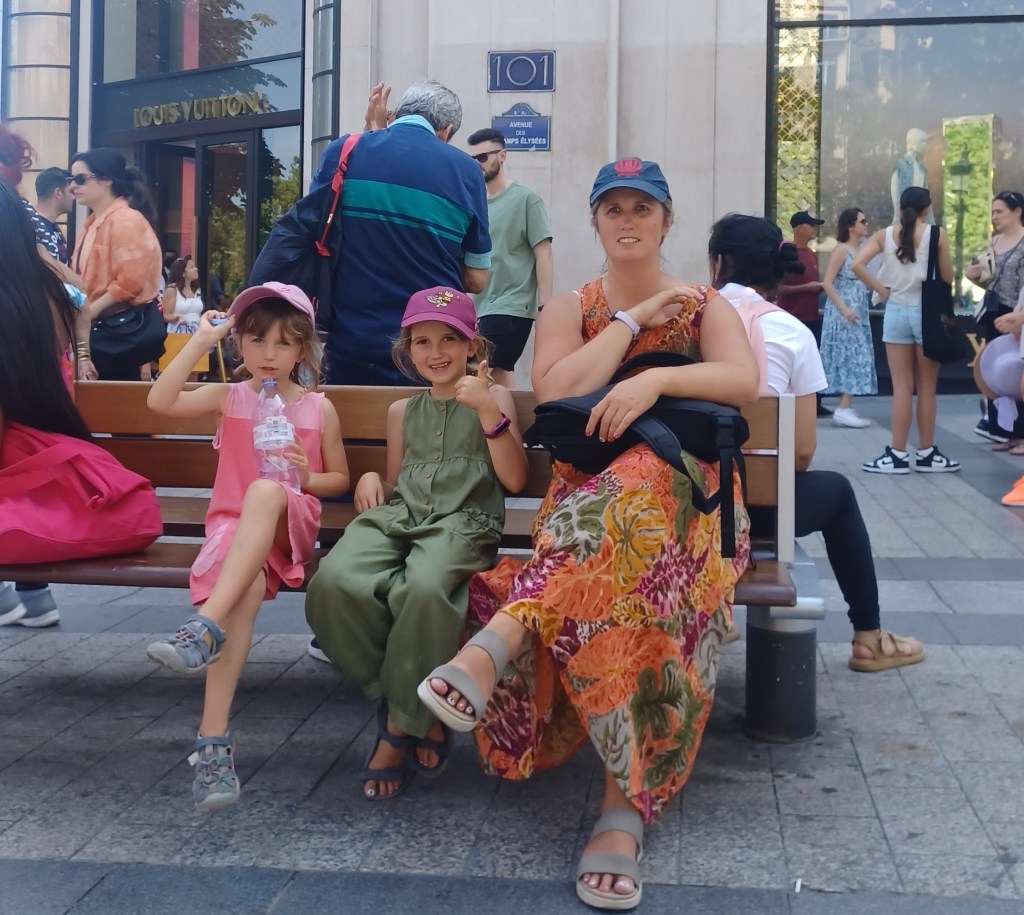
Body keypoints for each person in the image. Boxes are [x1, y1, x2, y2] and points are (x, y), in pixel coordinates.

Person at [417, 159, 758, 911]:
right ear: (596, 222)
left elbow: (743, 381)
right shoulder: (573, 306)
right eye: (614, 208)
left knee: (638, 501)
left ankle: (496, 642)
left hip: (690, 508)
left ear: (668, 220)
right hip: (585, 512)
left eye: (644, 207)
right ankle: (620, 811)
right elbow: (561, 390)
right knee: (622, 570)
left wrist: (656, 381)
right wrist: (633, 328)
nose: (629, 220)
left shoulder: (706, 308)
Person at [305, 286, 528, 801]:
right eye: (423, 341)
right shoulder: (402, 411)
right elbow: (398, 482)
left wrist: (489, 416)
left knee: (423, 590)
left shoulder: (492, 401)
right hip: (402, 518)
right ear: (408, 350)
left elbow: (514, 481)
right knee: (334, 583)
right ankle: (414, 703)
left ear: (475, 347)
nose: (436, 352)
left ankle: (398, 728)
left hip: (464, 525)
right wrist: (370, 484)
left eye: (450, 339)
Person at [143, 283, 350, 811]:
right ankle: (213, 747)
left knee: (264, 491)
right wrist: (198, 341)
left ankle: (204, 625)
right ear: (239, 344)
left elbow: (337, 481)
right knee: (247, 588)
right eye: (256, 341)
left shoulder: (319, 408)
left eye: (282, 344)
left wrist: (307, 470)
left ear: (302, 350)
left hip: (290, 524)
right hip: (236, 541)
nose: (267, 355)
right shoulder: (229, 397)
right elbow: (159, 401)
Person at [710, 213, 924, 673]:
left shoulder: (683, 321)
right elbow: (803, 453)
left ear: (718, 264)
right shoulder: (792, 333)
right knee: (839, 493)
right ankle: (869, 636)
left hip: (693, 506)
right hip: (764, 509)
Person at [309, 79, 491, 385]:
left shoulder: (344, 151)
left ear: (399, 112)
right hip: (426, 352)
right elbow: (477, 278)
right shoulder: (467, 171)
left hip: (350, 344)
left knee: (349, 431)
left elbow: (317, 229)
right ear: (445, 131)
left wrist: (375, 133)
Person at [853, 187, 960, 474]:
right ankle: (926, 453)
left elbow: (857, 265)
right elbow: (948, 277)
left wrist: (881, 290)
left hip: (896, 311)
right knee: (927, 388)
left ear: (901, 208)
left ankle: (897, 455)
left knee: (901, 387)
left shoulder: (884, 235)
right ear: (928, 208)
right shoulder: (937, 235)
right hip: (927, 313)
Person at [466, 127, 553, 387]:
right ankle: (509, 423)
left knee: (480, 369)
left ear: (502, 156)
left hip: (512, 305)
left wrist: (545, 307)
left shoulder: (526, 199)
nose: (477, 165)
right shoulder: (475, 203)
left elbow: (544, 253)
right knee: (498, 374)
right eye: (472, 160)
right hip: (480, 306)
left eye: (482, 157)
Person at [68, 148, 163, 380]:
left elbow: (131, 282)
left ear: (107, 180)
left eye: (81, 179)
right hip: (98, 332)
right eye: (71, 179)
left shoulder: (126, 220)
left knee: (108, 409)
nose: (72, 186)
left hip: (116, 337)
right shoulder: (93, 223)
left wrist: (88, 314)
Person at [966, 191, 1024, 452]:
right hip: (993, 313)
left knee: (1017, 373)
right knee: (996, 374)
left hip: (1017, 313)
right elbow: (988, 280)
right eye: (993, 212)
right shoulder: (994, 241)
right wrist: (973, 277)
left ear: (1017, 211)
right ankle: (1006, 432)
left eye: (1000, 211)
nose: (995, 216)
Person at [819, 208, 877, 428]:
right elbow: (827, 282)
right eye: (863, 221)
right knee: (852, 356)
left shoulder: (859, 250)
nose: (866, 224)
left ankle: (846, 404)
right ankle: (843, 407)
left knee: (855, 356)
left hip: (856, 311)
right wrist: (843, 307)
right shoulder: (842, 250)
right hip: (845, 314)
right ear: (851, 225)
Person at [777, 210, 830, 417]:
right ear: (799, 228)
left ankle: (815, 402)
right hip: (791, 316)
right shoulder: (787, 254)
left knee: (812, 360)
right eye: (811, 225)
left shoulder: (811, 254)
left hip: (812, 316)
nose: (814, 230)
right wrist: (807, 288)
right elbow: (779, 288)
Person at [159, 255, 209, 379]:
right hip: (177, 333)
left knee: (196, 369)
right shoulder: (172, 290)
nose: (196, 269)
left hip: (196, 333)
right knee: (177, 371)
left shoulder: (197, 290)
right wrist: (177, 318)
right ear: (183, 273)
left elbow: (197, 313)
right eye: (192, 267)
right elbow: (166, 315)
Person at [891, 128, 932, 225]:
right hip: (905, 215)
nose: (925, 145)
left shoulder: (921, 167)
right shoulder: (901, 164)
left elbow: (926, 193)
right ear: (914, 141)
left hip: (920, 216)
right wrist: (898, 214)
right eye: (922, 141)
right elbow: (895, 190)